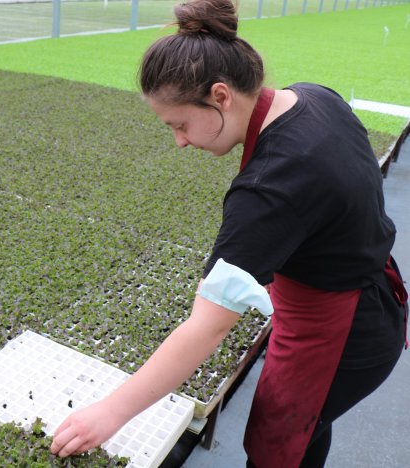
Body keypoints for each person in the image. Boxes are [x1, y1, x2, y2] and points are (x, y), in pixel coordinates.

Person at [49, 0, 408, 466]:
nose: (179, 141)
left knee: (276, 447)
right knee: (305, 430)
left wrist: (110, 413)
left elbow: (208, 325)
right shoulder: (315, 97)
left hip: (341, 335)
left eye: (179, 124)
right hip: (372, 292)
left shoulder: (269, 190)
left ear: (221, 96)